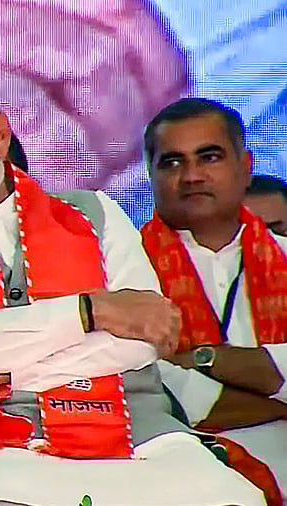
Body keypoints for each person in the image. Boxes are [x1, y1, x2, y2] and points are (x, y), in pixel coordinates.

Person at [0, 77, 264, 506]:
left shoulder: (96, 212)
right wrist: (88, 314)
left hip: (139, 433)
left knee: (232, 496)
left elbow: (143, 341)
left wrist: (0, 376)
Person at [141, 97, 287, 502]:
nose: (191, 175)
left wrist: (203, 358)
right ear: (150, 176)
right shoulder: (120, 272)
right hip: (176, 468)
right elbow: (152, 387)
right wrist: (274, 390)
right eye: (172, 162)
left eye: (209, 157)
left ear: (245, 167)